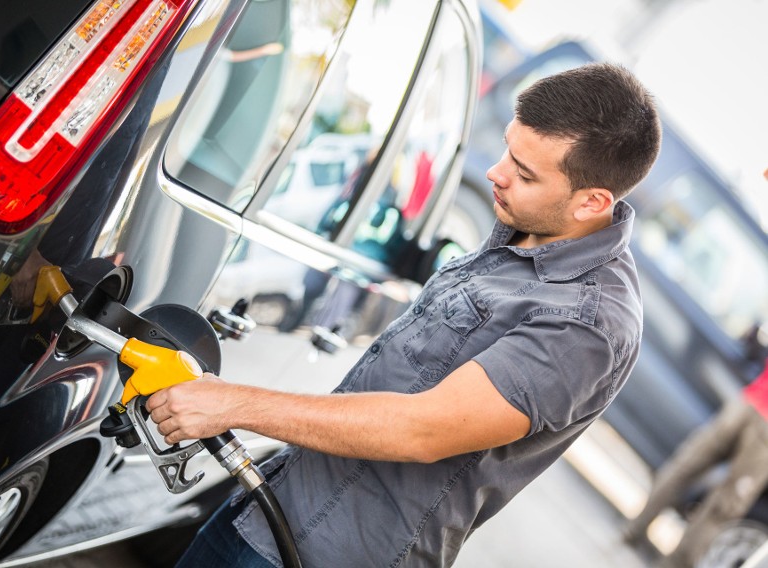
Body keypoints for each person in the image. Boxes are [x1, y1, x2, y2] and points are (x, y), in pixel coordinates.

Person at [147, 62, 662, 567]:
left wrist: (232, 403)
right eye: (508, 148)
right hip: (269, 506)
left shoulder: (589, 325)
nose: (496, 173)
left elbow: (423, 431)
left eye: (524, 173)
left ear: (591, 203)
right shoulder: (525, 234)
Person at [623, 356, 768, 568]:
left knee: (685, 467)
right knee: (724, 507)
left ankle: (634, 529)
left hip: (746, 402)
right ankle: (674, 565)